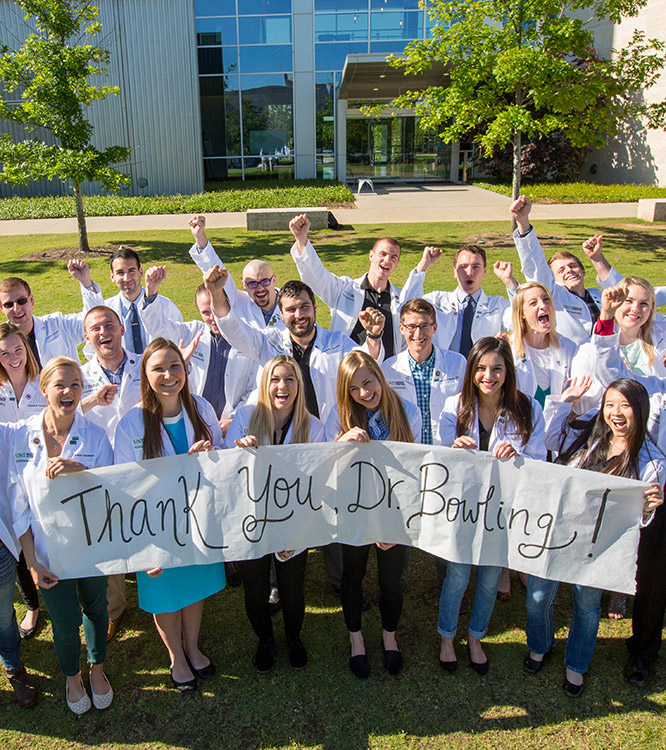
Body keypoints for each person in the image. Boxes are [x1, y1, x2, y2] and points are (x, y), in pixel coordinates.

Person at [528, 378, 665, 697]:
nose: (616, 413)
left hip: (596, 546)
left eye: (625, 405)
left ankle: (576, 665)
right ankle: (540, 645)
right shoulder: (588, 431)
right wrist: (565, 401)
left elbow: (641, 521)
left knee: (587, 604)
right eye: (610, 404)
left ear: (641, 411)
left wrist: (647, 510)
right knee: (537, 594)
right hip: (558, 528)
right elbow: (551, 439)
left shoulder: (652, 461)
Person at [113, 338, 224, 694]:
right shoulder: (131, 423)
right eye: (158, 368)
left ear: (186, 369)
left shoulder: (201, 408)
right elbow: (122, 485)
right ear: (145, 375)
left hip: (197, 521)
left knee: (195, 586)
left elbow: (223, 463)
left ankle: (193, 647)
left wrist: (211, 454)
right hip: (154, 526)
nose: (168, 375)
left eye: (174, 366)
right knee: (166, 592)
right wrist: (141, 545)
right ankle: (176, 656)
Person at [8, 357, 114, 714]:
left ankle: (97, 668)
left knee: (96, 609)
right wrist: (33, 562)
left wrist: (80, 470)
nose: (68, 392)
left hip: (93, 548)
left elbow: (113, 491)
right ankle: (72, 676)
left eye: (76, 386)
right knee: (65, 623)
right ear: (44, 389)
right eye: (60, 385)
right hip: (49, 555)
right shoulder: (22, 437)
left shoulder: (96, 437)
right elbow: (17, 504)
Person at [438, 337, 546, 676]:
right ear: (471, 371)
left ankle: (475, 637)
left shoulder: (527, 408)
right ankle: (446, 637)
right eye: (481, 369)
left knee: (487, 581)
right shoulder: (453, 406)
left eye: (497, 369)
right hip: (463, 508)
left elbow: (541, 460)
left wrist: (520, 458)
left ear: (508, 371)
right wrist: (453, 448)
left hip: (503, 511)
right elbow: (437, 459)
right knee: (456, 577)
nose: (489, 376)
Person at [224, 355, 325, 673]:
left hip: (293, 522)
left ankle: (294, 638)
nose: (283, 386)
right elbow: (226, 469)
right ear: (265, 384)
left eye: (290, 379)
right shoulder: (245, 417)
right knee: (255, 590)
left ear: (299, 386)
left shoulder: (314, 426)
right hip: (251, 521)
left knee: (293, 591)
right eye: (275, 379)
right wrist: (239, 452)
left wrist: (296, 532)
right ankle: (265, 640)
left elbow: (316, 484)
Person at [331, 351, 421, 679]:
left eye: (368, 383)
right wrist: (342, 441)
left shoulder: (407, 411)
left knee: (391, 581)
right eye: (353, 389)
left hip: (395, 510)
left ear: (379, 376)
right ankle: (356, 641)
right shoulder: (340, 415)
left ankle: (389, 637)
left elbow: (415, 470)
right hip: (354, 510)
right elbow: (324, 468)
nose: (363, 393)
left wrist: (392, 522)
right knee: (352, 576)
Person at [205, 267, 384, 424]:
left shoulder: (337, 343)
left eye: (304, 307)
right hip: (284, 439)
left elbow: (366, 363)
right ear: (281, 314)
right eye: (291, 310)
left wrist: (373, 336)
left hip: (329, 436)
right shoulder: (269, 343)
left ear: (315, 307)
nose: (299, 315)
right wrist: (216, 293)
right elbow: (233, 328)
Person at [79, 305, 143, 641]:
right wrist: (89, 401)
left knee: (148, 528)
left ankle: (156, 597)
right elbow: (58, 415)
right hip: (100, 469)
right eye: (95, 329)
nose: (103, 332)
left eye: (109, 325)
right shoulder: (80, 374)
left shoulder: (145, 364)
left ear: (121, 328)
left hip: (142, 464)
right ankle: (114, 609)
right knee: (108, 538)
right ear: (87, 338)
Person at [289, 213, 426, 358]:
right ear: (371, 255)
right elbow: (317, 277)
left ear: (397, 263)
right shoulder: (344, 289)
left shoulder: (399, 298)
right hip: (346, 369)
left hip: (385, 373)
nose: (387, 260)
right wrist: (302, 240)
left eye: (393, 257)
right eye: (383, 254)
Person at [141, 267, 257, 433]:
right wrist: (151, 292)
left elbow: (254, 387)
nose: (213, 318)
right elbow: (158, 327)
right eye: (206, 312)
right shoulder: (190, 333)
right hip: (193, 422)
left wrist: (235, 418)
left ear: (228, 303)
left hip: (232, 426)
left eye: (216, 308)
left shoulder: (248, 338)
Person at [510, 196, 622, 344]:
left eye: (572, 266)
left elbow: (625, 291)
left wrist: (597, 258)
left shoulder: (598, 295)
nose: (568, 270)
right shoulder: (554, 296)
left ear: (583, 271)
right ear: (553, 279)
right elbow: (535, 265)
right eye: (560, 270)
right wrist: (523, 222)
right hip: (571, 361)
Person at [0, 323, 45, 642]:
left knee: (42, 531)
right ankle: (31, 605)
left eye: (18, 350)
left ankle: (55, 588)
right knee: (12, 537)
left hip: (40, 472)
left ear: (27, 351)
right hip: (4, 477)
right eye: (4, 353)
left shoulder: (43, 383)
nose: (13, 358)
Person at [382, 297, 466, 445]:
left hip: (448, 450)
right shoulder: (389, 368)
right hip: (408, 452)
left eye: (424, 326)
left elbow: (469, 408)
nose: (418, 334)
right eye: (411, 326)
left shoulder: (457, 363)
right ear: (402, 329)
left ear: (434, 328)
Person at [187, 214, 285, 332]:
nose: (259, 289)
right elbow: (217, 272)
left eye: (264, 281)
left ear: (274, 279)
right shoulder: (240, 302)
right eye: (252, 284)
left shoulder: (291, 303)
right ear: (244, 285)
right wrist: (200, 238)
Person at [0, 420, 38, 708]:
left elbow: (38, 422)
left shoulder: (5, 432)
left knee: (2, 617)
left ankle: (13, 666)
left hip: (0, 549)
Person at [82, 247, 183, 356]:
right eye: (120, 272)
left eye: (131, 271)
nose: (126, 278)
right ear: (112, 276)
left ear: (140, 272)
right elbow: (93, 351)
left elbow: (179, 343)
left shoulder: (165, 306)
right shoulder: (105, 311)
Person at [0, 261, 102, 366]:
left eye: (21, 301)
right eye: (9, 305)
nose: (16, 309)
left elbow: (93, 321)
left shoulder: (58, 324)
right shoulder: (1, 343)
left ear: (31, 300)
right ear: (1, 308)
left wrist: (86, 283)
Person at [422, 245, 512, 356]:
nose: (469, 272)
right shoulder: (436, 300)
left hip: (482, 371)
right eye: (463, 266)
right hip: (445, 370)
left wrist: (510, 283)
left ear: (484, 271)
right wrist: (422, 267)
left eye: (476, 267)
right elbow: (405, 309)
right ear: (455, 271)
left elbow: (522, 320)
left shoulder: (497, 305)